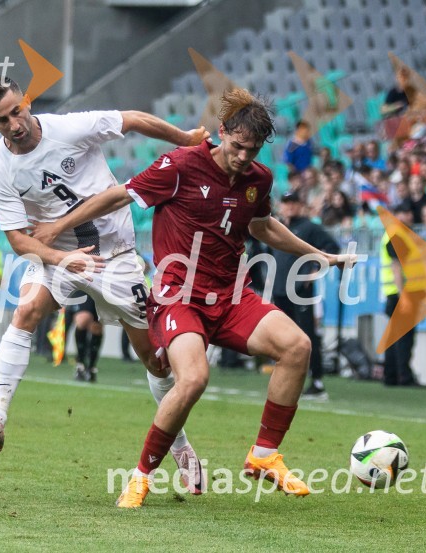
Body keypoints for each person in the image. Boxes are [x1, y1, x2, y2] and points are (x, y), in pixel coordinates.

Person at [32, 88, 350, 507]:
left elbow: (263, 227)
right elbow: (117, 196)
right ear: (222, 133)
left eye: (252, 150)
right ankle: (141, 476)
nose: (242, 157)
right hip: (177, 296)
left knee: (297, 347)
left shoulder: (259, 179)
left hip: (232, 295)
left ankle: (264, 455)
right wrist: (57, 228)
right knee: (194, 378)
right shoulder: (181, 165)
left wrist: (318, 254)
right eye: (236, 147)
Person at [0, 75, 210, 494]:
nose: (14, 124)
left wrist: (186, 139)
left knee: (155, 360)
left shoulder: (69, 128)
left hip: (116, 255)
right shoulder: (0, 168)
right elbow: (17, 239)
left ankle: (181, 446)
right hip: (62, 255)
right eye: (2, 119)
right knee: (24, 312)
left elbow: (132, 119)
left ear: (26, 105)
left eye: (16, 112)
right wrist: (64, 258)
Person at [271, 192, 340, 400]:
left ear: (300, 206)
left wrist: (315, 270)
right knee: (283, 338)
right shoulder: (278, 226)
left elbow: (332, 247)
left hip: (301, 291)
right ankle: (289, 380)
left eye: (293, 203)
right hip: (280, 290)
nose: (289, 207)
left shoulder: (309, 227)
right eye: (286, 203)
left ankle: (317, 382)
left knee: (308, 336)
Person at [379, 204, 425, 387]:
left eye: (409, 212)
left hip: (396, 294)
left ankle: (391, 376)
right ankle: (403, 377)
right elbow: (396, 267)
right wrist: (403, 295)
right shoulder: (397, 235)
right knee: (404, 339)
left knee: (395, 337)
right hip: (400, 294)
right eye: (404, 212)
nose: (408, 216)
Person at [68, 292, 103, 382]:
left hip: (100, 286)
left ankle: (91, 367)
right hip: (82, 285)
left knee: (96, 327)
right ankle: (80, 364)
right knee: (82, 320)